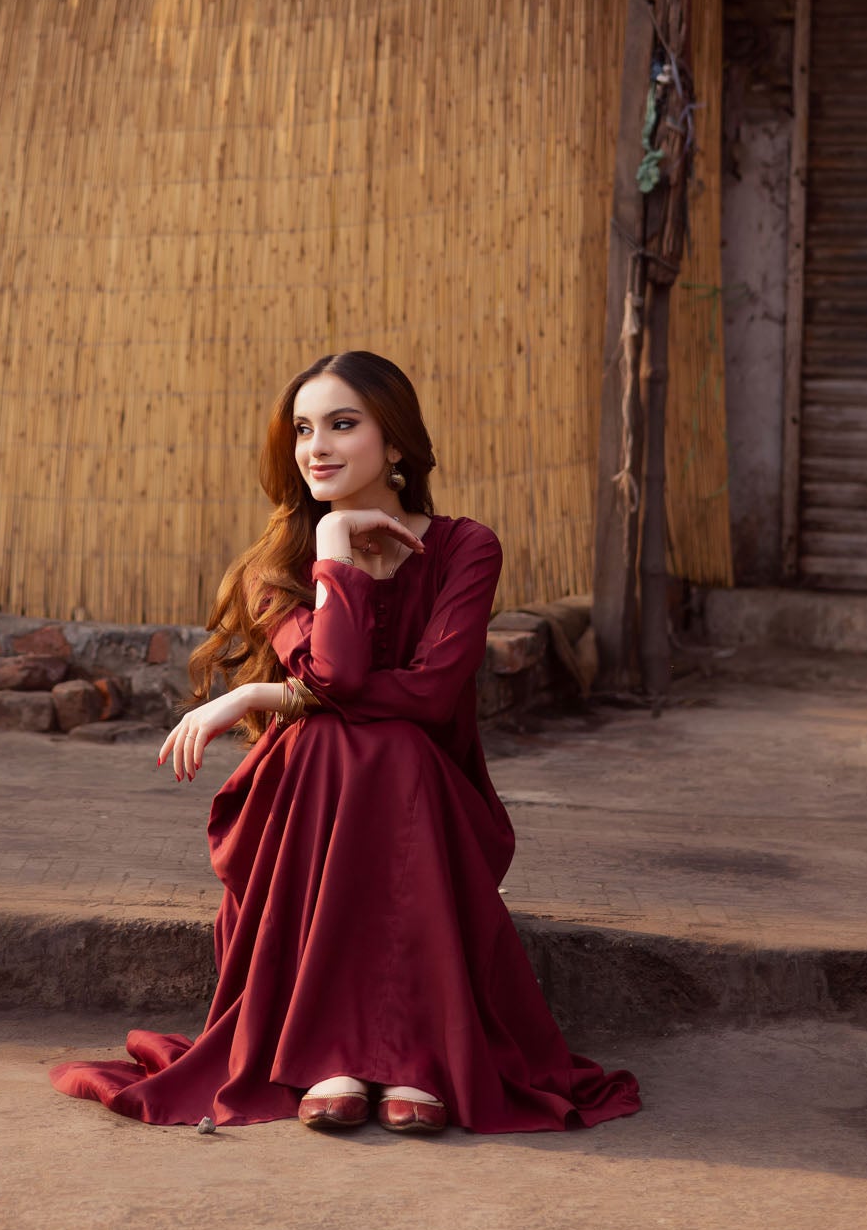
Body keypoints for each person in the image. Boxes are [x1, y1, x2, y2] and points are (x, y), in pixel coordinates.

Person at [50, 350, 641, 1136]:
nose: (316, 446)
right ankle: (361, 1052)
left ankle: (396, 1053)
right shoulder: (281, 566)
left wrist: (265, 693)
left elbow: (429, 696)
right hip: (306, 803)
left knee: (384, 744)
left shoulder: (466, 547)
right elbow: (339, 669)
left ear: (395, 442)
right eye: (303, 428)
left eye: (342, 423)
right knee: (344, 742)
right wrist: (332, 551)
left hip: (431, 798)